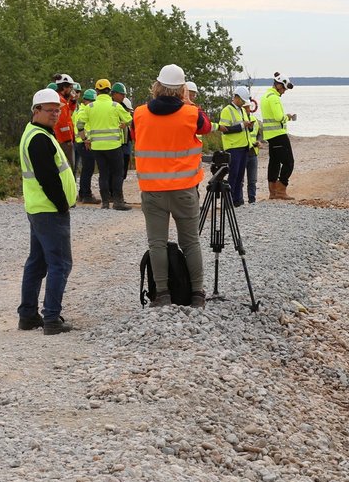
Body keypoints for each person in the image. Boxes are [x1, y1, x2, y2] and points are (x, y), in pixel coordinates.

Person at [132, 64, 212, 308]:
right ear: (182, 89)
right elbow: (206, 127)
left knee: (156, 243)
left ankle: (163, 293)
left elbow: (137, 136)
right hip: (184, 190)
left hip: (153, 191)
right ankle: (197, 294)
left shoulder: (140, 113)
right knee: (190, 242)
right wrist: (189, 103)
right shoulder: (191, 113)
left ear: (156, 86)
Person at [17, 88, 76, 335]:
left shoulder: (37, 133)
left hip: (39, 208)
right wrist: (62, 204)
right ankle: (51, 318)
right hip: (49, 210)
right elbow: (48, 177)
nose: (54, 114)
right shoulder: (39, 138)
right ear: (36, 111)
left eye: (57, 110)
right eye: (49, 110)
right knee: (60, 264)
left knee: (37, 263)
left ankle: (28, 315)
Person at [82, 78, 133, 210]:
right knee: (117, 173)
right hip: (113, 146)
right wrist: (123, 124)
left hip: (97, 147)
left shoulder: (90, 107)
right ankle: (118, 202)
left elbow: (80, 124)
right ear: (109, 91)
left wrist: (84, 139)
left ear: (97, 91)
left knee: (103, 173)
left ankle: (105, 203)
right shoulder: (115, 106)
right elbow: (129, 119)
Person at [261, 72, 297, 200]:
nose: (284, 92)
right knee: (289, 162)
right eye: (283, 89)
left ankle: (273, 192)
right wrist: (287, 117)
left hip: (270, 136)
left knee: (274, 162)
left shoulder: (265, 96)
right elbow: (278, 117)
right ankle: (281, 190)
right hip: (279, 135)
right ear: (278, 85)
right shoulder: (274, 98)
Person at [218, 86, 256, 206]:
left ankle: (237, 200)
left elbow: (245, 129)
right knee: (233, 175)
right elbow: (224, 129)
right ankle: (228, 201)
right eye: (243, 100)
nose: (244, 103)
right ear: (237, 97)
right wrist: (241, 126)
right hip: (233, 147)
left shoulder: (242, 110)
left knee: (240, 176)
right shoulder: (227, 110)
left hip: (244, 147)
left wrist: (249, 126)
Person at [73, 88, 99, 203]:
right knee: (88, 169)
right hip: (84, 143)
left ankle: (82, 194)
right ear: (87, 101)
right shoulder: (84, 111)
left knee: (86, 169)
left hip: (82, 142)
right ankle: (86, 195)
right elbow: (79, 127)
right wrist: (85, 140)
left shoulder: (83, 110)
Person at [51, 73, 78, 173]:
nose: (71, 90)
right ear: (64, 87)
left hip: (62, 139)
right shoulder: (60, 101)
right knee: (68, 168)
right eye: (70, 87)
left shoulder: (61, 99)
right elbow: (62, 123)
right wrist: (68, 140)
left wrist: (73, 100)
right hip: (63, 141)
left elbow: (69, 112)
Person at [246, 114, 263, 203]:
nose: (248, 108)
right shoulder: (240, 119)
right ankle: (238, 201)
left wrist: (259, 141)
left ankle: (252, 200)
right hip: (243, 152)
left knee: (252, 180)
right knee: (239, 179)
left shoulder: (254, 119)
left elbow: (259, 134)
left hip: (253, 152)